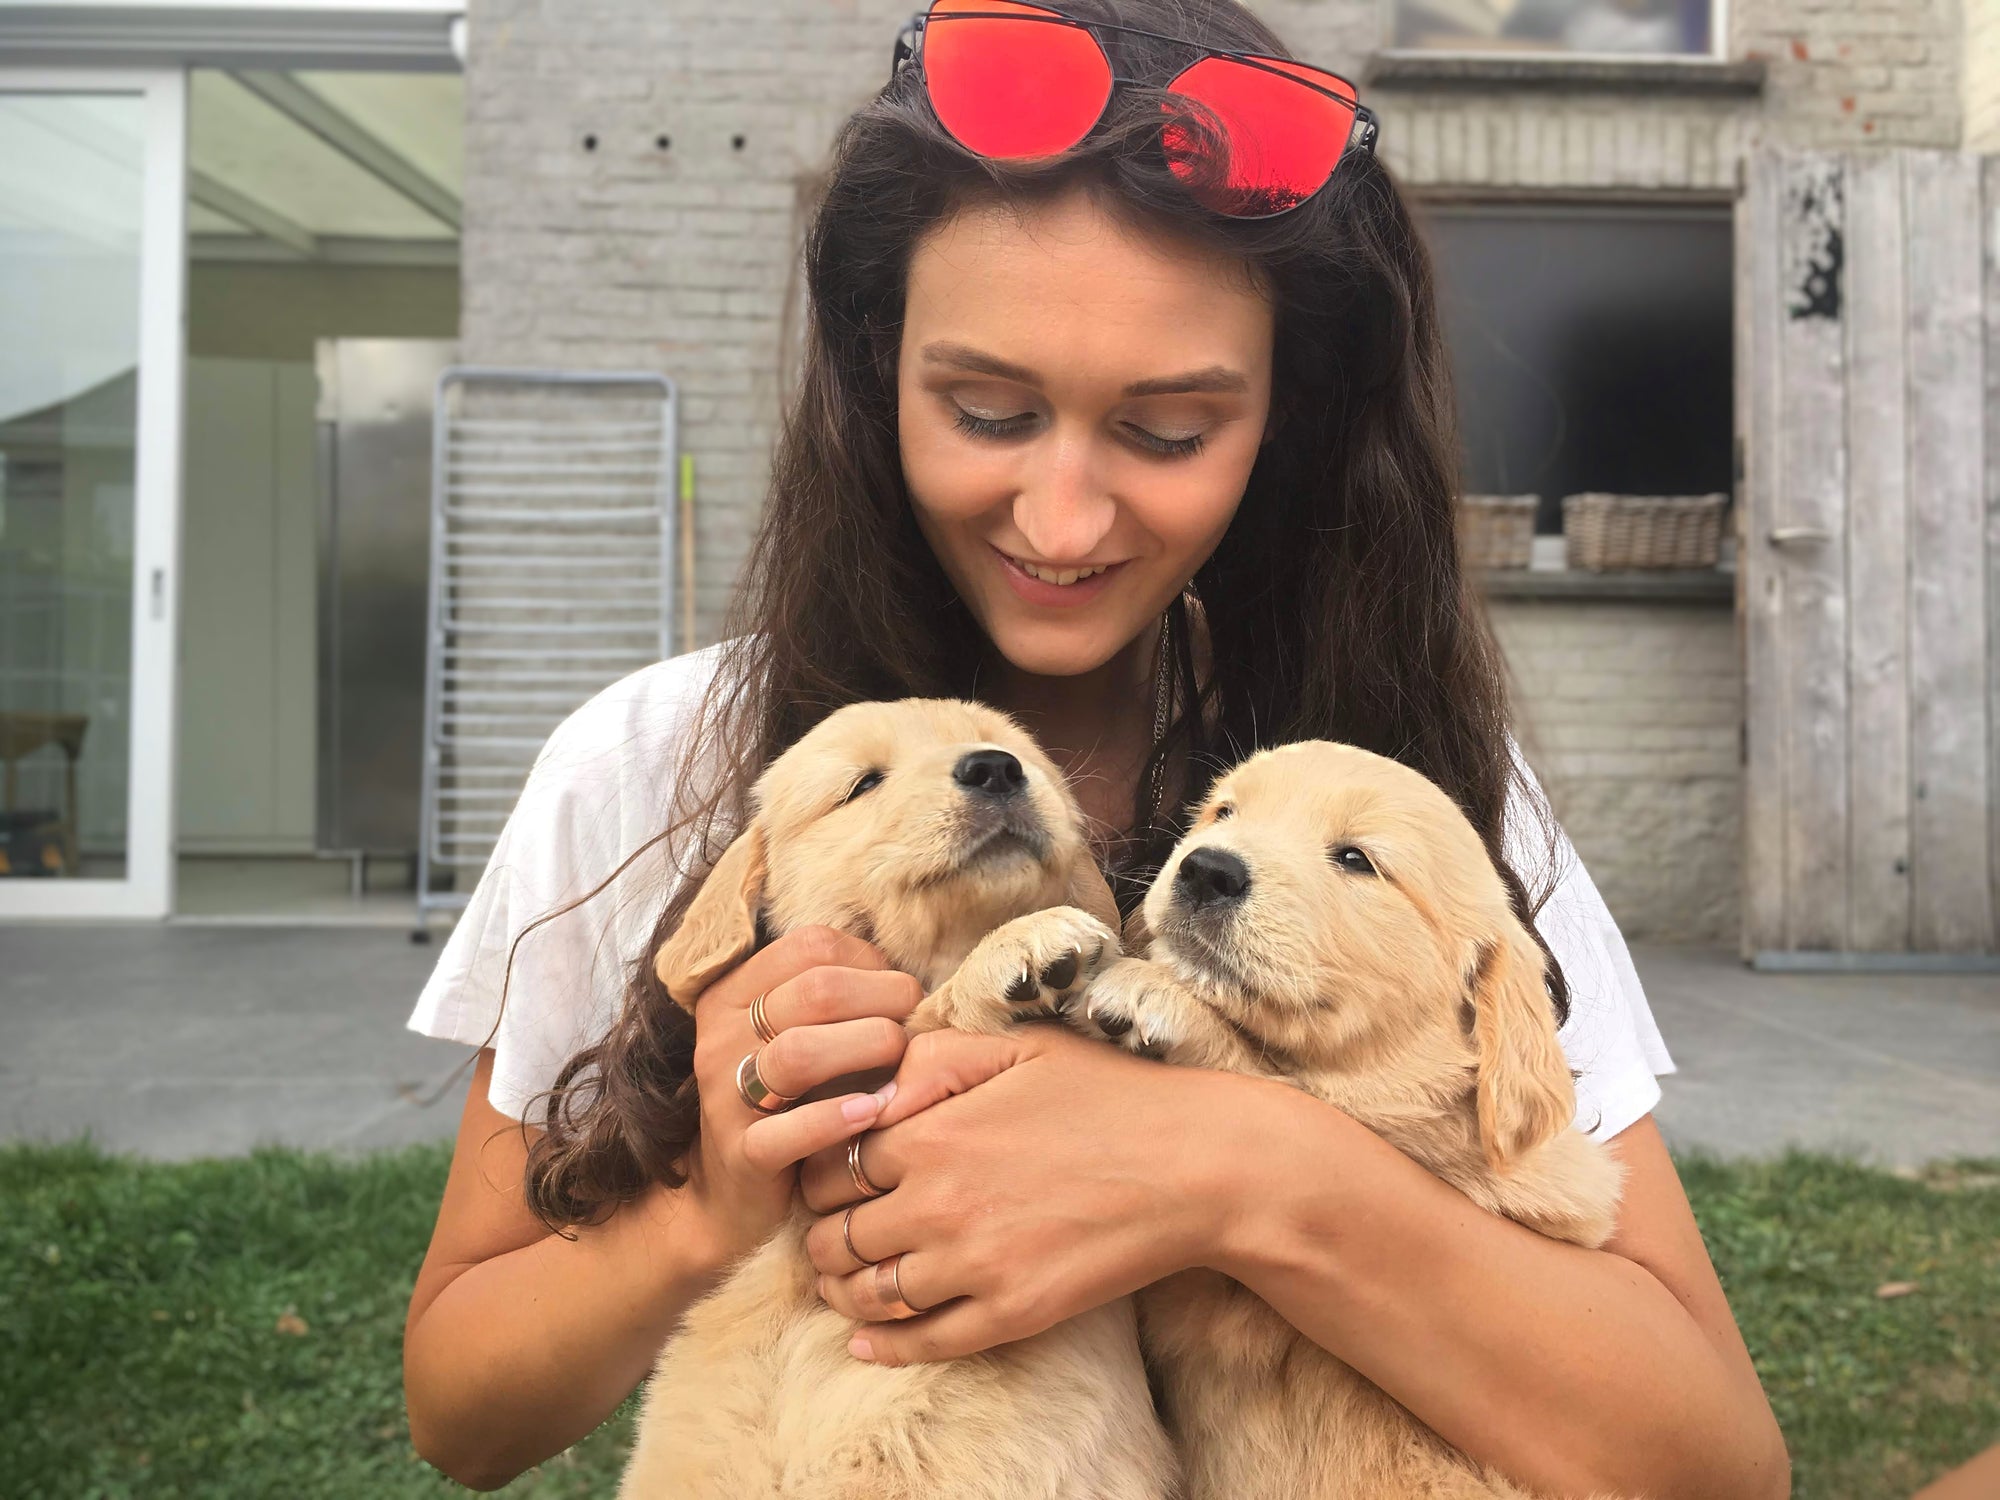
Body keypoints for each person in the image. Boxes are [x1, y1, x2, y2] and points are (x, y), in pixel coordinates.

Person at [401, 2, 1790, 1495]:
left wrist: (1243, 1173)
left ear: (1289, 421)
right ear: (875, 369)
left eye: (1171, 430)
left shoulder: (1404, 794)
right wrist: (703, 1204)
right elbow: (463, 1412)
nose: (1061, 522)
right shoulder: (658, 761)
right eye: (986, 410)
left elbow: (1714, 1463)